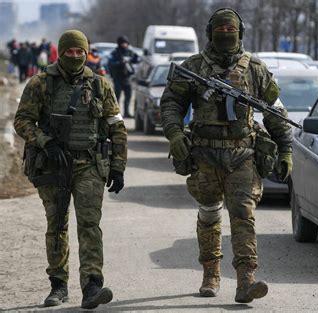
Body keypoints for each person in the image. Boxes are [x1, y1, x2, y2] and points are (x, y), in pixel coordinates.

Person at [160, 8, 293, 303]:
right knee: (209, 214)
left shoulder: (255, 69)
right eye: (219, 33)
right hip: (205, 153)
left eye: (230, 33)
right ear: (210, 34)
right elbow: (171, 103)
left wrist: (285, 147)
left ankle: (246, 279)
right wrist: (175, 133)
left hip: (242, 153)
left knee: (243, 216)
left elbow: (275, 111)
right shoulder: (193, 67)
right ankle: (211, 273)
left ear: (240, 34)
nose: (225, 37)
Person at [14, 30, 128, 309]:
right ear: (60, 52)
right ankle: (58, 286)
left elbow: (116, 126)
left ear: (86, 52)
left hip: (89, 164)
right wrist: (46, 142)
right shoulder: (40, 83)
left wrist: (118, 166)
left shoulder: (101, 85)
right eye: (69, 51)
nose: (75, 56)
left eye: (80, 52)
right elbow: (22, 121)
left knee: (89, 224)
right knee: (57, 225)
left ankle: (91, 286)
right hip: (53, 165)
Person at [108, 35, 139, 117]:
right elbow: (111, 64)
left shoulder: (130, 52)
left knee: (128, 96)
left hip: (127, 78)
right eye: (123, 43)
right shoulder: (115, 53)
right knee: (117, 97)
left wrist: (134, 58)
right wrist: (120, 63)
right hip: (118, 77)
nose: (125, 45)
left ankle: (127, 113)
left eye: (126, 43)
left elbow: (136, 61)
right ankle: (116, 113)